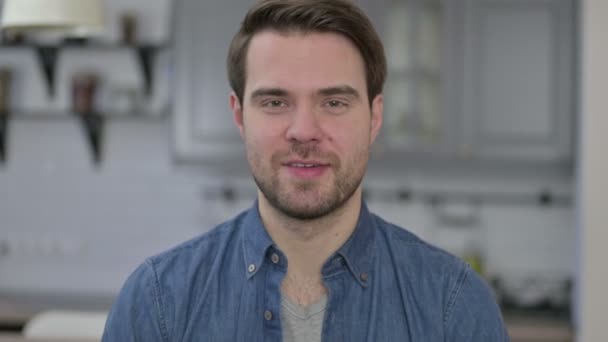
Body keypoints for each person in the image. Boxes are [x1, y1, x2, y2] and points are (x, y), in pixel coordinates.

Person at [102, 0, 510, 341]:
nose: (304, 132)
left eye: (333, 102)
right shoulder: (157, 302)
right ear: (240, 116)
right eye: (275, 102)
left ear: (374, 117)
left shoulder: (453, 306)